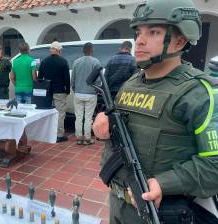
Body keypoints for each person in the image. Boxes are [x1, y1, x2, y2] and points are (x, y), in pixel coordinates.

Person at [92, 0, 218, 223]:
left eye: (153, 32)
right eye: (138, 32)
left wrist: (165, 182)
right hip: (117, 204)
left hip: (161, 212)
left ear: (180, 41)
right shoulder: (131, 83)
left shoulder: (200, 93)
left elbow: (214, 164)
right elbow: (121, 130)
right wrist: (103, 123)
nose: (139, 41)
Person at [38, 41, 70, 143]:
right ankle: (59, 135)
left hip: (47, 91)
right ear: (59, 50)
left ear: (51, 50)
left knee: (47, 112)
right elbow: (67, 79)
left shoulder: (44, 61)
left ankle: (46, 133)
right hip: (59, 91)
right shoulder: (63, 61)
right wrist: (67, 90)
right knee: (60, 113)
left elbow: (40, 78)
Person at [71, 42, 101, 145]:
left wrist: (75, 89)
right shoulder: (96, 62)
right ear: (91, 50)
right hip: (91, 93)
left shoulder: (76, 62)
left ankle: (79, 138)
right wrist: (96, 90)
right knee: (88, 117)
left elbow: (73, 79)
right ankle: (87, 138)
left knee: (78, 117)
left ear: (83, 51)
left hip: (78, 93)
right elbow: (98, 80)